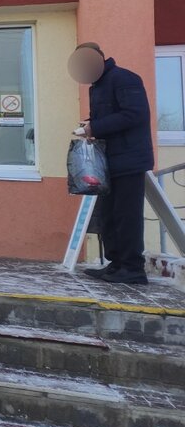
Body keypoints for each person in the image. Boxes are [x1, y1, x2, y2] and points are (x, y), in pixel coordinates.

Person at [68, 42, 154, 285]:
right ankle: (116, 265)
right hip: (108, 161)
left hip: (129, 161)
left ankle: (132, 268)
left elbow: (134, 114)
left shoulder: (125, 79)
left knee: (127, 216)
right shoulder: (97, 86)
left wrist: (95, 127)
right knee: (109, 215)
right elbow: (111, 117)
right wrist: (90, 125)